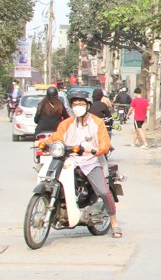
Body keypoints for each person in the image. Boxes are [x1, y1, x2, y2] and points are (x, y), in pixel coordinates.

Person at [46, 90, 121, 238]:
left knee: (103, 192)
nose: (77, 107)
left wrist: (95, 149)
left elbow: (105, 144)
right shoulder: (66, 123)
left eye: (81, 104)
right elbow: (55, 137)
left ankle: (114, 223)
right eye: (75, 104)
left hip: (91, 161)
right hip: (69, 160)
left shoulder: (97, 123)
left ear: (88, 105)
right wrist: (42, 143)